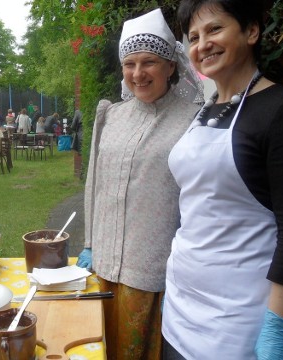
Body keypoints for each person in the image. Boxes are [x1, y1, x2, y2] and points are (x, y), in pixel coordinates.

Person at [161, 1, 283, 359]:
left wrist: (277, 328)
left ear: (251, 31)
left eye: (214, 29)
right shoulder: (204, 110)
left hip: (238, 322)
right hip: (179, 308)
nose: (202, 44)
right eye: (193, 36)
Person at [75, 8, 203, 360]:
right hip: (102, 266)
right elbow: (94, 184)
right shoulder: (110, 116)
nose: (138, 73)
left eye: (149, 62)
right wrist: (89, 242)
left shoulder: (194, 120)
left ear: (171, 65)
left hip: (152, 271)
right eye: (129, 64)